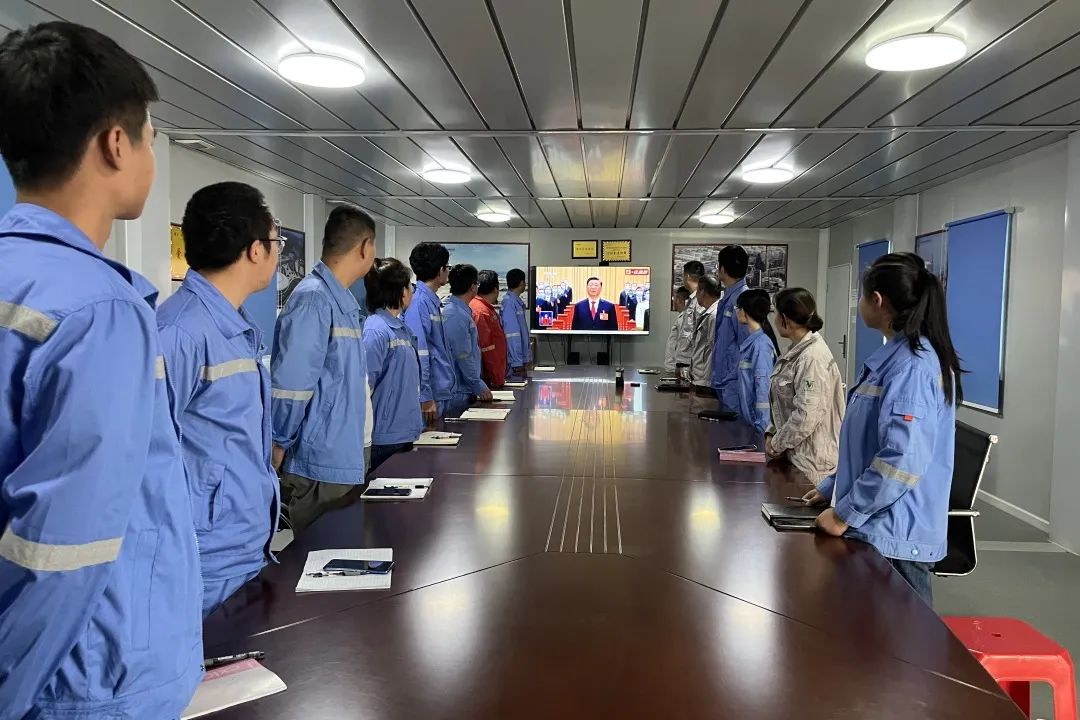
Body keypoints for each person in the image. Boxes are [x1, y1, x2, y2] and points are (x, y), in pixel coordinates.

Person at [0, 21, 202, 718]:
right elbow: (63, 550)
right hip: (86, 680)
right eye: (150, 138)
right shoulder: (101, 308)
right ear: (117, 143)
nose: (151, 155)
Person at [805, 253, 963, 606]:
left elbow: (901, 460)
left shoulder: (912, 368)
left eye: (862, 295)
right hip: (876, 525)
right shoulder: (895, 358)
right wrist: (833, 487)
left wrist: (845, 513)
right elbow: (868, 445)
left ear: (877, 300)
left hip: (894, 535)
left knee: (901, 638)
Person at [157, 182, 280, 617]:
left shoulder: (233, 325)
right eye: (276, 242)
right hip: (205, 560)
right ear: (255, 250)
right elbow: (145, 456)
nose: (276, 253)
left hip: (243, 546)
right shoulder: (180, 332)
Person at [271, 206, 375, 532]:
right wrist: (278, 441)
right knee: (321, 550)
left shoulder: (340, 301)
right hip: (319, 462)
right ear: (365, 248)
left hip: (342, 453)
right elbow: (291, 385)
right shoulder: (314, 299)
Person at [765, 288, 845, 486]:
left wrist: (777, 443)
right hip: (795, 455)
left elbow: (806, 415)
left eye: (776, 313)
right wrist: (771, 433)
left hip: (812, 464)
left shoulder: (812, 358)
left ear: (785, 319)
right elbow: (782, 405)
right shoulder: (795, 351)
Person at [363, 258, 423, 472]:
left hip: (402, 430)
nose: (411, 291)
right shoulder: (376, 330)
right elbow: (365, 385)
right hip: (384, 435)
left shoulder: (399, 328)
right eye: (410, 285)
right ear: (401, 291)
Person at [403, 242, 457, 421]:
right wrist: (425, 396)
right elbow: (420, 353)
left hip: (440, 391)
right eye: (447, 267)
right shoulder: (419, 302)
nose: (448, 271)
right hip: (431, 396)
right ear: (441, 269)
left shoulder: (430, 301)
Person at [443, 264, 493, 415]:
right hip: (458, 391)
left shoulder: (461, 311)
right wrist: (478, 384)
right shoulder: (455, 315)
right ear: (472, 287)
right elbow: (463, 355)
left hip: (465, 388)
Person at [734, 289, 780, 434]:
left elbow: (763, 387)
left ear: (744, 311)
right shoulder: (753, 342)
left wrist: (763, 427)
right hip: (750, 422)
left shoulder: (761, 345)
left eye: (737, 308)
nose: (736, 311)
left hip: (759, 426)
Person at [712, 245, 751, 409]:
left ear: (722, 269)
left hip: (733, 384)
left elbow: (747, 347)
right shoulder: (729, 297)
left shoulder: (742, 300)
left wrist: (731, 377)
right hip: (723, 381)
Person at [471, 269, 508, 390]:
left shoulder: (484, 308)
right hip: (488, 378)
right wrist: (496, 379)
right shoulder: (481, 311)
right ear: (496, 289)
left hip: (492, 375)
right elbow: (486, 348)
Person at [689, 275, 723, 395]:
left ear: (703, 292)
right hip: (700, 378)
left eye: (698, 290)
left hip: (706, 381)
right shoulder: (708, 312)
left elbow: (715, 349)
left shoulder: (714, 315)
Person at [674, 260, 705, 378]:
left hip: (690, 363)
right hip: (685, 360)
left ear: (687, 276)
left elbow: (696, 334)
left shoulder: (700, 300)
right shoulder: (692, 299)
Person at [502, 267, 532, 375]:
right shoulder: (510, 303)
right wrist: (517, 362)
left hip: (519, 360)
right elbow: (512, 335)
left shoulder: (515, 302)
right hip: (515, 364)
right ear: (522, 283)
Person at [664, 287, 691, 373]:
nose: (673, 301)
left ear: (679, 300)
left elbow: (683, 344)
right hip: (673, 367)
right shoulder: (682, 317)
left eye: (674, 298)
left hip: (676, 368)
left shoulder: (684, 318)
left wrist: (679, 367)